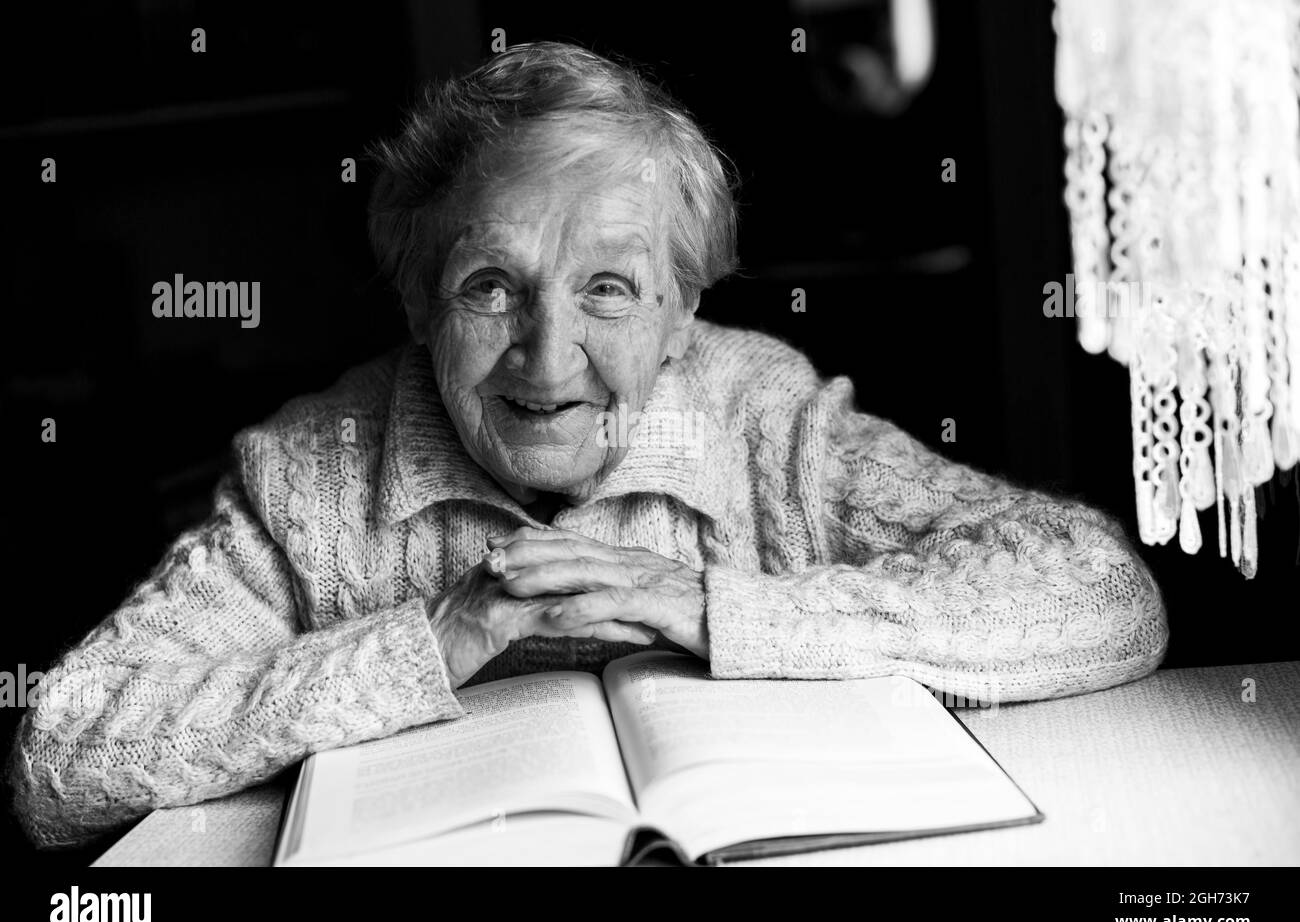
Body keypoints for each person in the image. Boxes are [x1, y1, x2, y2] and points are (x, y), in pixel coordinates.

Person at [9, 41, 1168, 849]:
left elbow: (1100, 594)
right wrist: (428, 640)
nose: (547, 355)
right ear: (419, 302)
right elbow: (59, 757)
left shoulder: (763, 415)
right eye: (489, 287)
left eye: (609, 287)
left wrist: (711, 605)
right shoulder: (315, 475)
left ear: (680, 313)